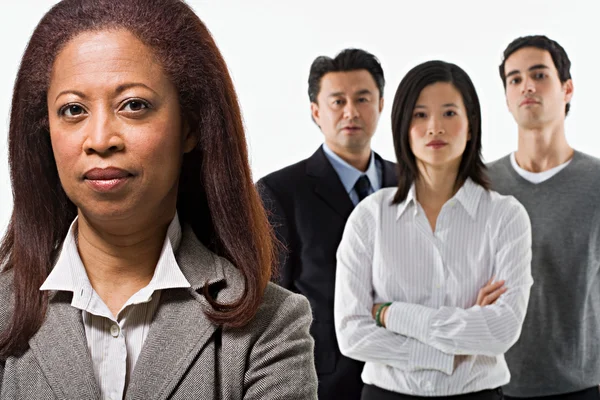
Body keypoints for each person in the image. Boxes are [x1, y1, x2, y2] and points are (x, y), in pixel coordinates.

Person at [0, 0, 318, 398]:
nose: (100, 140)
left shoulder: (270, 326)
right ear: (45, 131)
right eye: (73, 109)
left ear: (189, 127)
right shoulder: (3, 311)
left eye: (134, 105)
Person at [334, 60, 533, 400]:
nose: (434, 128)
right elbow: (352, 333)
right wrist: (459, 337)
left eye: (450, 114)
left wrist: (391, 313)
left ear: (471, 126)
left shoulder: (505, 216)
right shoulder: (370, 217)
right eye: (420, 115)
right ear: (402, 126)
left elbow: (502, 331)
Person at [257, 48, 396, 399]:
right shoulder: (280, 191)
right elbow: (272, 303)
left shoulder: (412, 183)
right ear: (316, 112)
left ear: (381, 104)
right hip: (326, 379)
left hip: (409, 371)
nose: (351, 111)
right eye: (337, 101)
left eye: (363, 98)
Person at [488, 35, 600, 400]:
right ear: (506, 97)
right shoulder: (480, 185)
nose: (527, 86)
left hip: (582, 385)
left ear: (567, 89)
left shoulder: (597, 182)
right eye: (515, 79)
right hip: (491, 384)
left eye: (539, 74)